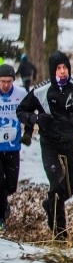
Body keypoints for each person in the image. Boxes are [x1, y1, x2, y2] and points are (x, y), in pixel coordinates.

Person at [16, 51, 73, 240]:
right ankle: (59, 232)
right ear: (52, 70)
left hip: (72, 143)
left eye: (65, 68)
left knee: (68, 189)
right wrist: (36, 118)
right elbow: (21, 110)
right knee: (56, 185)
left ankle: (50, 205)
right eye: (59, 68)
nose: (62, 72)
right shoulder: (41, 90)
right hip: (50, 144)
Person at [0, 64, 26, 232]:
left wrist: (28, 131)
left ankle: (4, 201)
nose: (5, 85)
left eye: (8, 81)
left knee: (10, 186)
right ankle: (1, 217)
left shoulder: (21, 94)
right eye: (2, 81)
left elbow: (29, 112)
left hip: (13, 146)